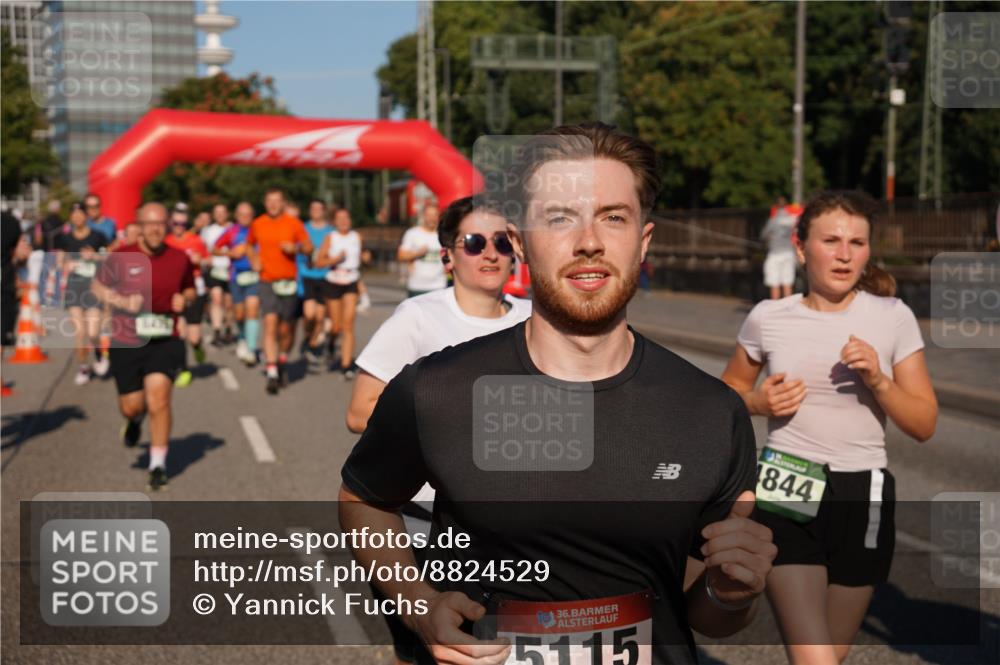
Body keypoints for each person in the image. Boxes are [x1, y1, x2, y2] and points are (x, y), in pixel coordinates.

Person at [340, 123, 775, 665]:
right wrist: (417, 602)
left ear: (643, 240)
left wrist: (732, 593)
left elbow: (702, 612)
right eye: (559, 218)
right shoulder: (438, 390)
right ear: (521, 243)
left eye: (613, 217)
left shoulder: (711, 412)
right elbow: (363, 502)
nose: (589, 241)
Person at [721, 190, 938, 665]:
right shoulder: (768, 317)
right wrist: (758, 400)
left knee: (830, 657)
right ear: (800, 248)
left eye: (857, 243)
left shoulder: (892, 316)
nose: (844, 254)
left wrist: (879, 380)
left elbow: (924, 423)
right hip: (788, 480)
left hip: (865, 488)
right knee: (815, 658)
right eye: (831, 240)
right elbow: (725, 396)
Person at [346, 195, 531, 665]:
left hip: (514, 521)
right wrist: (454, 432)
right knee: (428, 650)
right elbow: (360, 409)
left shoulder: (535, 319)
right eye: (474, 243)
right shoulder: (419, 317)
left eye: (501, 242)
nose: (490, 253)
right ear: (448, 254)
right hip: (425, 527)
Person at [92, 202, 196, 490]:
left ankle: (158, 463)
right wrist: (122, 302)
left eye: (161, 223)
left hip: (164, 337)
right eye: (150, 223)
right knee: (132, 405)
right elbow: (97, 287)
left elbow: (190, 287)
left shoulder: (179, 257)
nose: (156, 229)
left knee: (159, 398)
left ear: (169, 225)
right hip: (126, 339)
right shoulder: (121, 256)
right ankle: (134, 421)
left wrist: (184, 299)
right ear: (138, 226)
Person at [246, 187, 312, 394]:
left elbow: (309, 247)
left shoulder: (294, 224)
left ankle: (282, 358)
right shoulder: (258, 223)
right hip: (267, 280)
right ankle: (272, 370)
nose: (273, 204)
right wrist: (254, 259)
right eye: (269, 200)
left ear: (283, 203)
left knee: (286, 329)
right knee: (270, 323)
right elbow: (248, 245)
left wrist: (297, 248)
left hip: (288, 282)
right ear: (265, 203)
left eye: (277, 200)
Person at [56, 202, 110, 384]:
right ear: (70, 217)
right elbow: (59, 261)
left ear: (86, 216)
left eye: (81, 213)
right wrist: (66, 265)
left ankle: (99, 354)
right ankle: (83, 368)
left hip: (93, 287)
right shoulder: (64, 238)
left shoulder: (98, 236)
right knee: (80, 333)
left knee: (93, 332)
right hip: (74, 287)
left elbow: (108, 258)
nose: (77, 217)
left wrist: (94, 256)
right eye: (74, 214)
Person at [313, 207, 363, 377]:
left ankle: (346, 364)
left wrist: (366, 258)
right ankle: (331, 343)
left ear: (350, 220)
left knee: (348, 324)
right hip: (333, 281)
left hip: (351, 281)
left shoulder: (356, 237)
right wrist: (334, 259)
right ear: (334, 222)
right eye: (339, 218)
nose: (343, 221)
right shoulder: (330, 237)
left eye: (346, 218)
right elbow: (319, 261)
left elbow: (360, 260)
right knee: (336, 326)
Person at [165, 205, 209, 387]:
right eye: (175, 223)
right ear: (170, 224)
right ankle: (182, 369)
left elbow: (209, 260)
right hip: (174, 290)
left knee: (193, 336)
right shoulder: (166, 241)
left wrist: (202, 261)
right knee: (179, 332)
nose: (179, 227)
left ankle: (197, 347)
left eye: (182, 223)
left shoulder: (196, 240)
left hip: (195, 287)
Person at [214, 201, 261, 367]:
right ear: (236, 216)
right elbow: (215, 248)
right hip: (236, 276)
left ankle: (251, 349)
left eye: (248, 214)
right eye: (241, 214)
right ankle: (242, 337)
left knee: (253, 309)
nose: (245, 218)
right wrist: (229, 252)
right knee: (240, 314)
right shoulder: (231, 231)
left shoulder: (258, 229)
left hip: (255, 276)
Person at [298, 199, 333, 364]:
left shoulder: (330, 231)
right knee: (309, 314)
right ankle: (307, 336)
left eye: (319, 208)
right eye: (313, 208)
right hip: (307, 276)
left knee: (320, 317)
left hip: (325, 277)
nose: (316, 211)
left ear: (324, 211)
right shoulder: (302, 229)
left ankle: (311, 345)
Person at [2, 211, 31, 395]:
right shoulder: (9, 221)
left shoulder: (9, 222)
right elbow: (22, 254)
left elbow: (22, 254)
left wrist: (21, 258)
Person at [201, 203, 235, 346]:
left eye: (222, 212)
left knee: (228, 303)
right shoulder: (208, 231)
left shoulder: (234, 229)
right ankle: (216, 331)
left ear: (227, 214)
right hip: (214, 269)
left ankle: (228, 328)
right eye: (217, 212)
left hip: (230, 269)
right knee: (216, 299)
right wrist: (206, 258)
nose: (220, 215)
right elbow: (203, 249)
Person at [397, 200, 446, 297]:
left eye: (434, 215)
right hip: (417, 286)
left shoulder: (443, 235)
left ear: (438, 217)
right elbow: (400, 256)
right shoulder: (412, 233)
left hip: (438, 286)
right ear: (423, 216)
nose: (431, 218)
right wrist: (417, 253)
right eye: (429, 215)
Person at [761, 196, 799, 300]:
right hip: (789, 254)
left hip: (775, 254)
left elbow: (764, 236)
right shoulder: (792, 220)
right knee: (787, 283)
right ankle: (787, 310)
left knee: (775, 283)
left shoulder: (773, 220)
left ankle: (776, 308)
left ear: (776, 206)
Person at [35, 200, 65, 307]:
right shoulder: (63, 222)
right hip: (60, 252)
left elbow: (38, 239)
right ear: (58, 209)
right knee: (58, 275)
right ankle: (56, 300)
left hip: (47, 251)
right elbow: (66, 236)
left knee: (43, 275)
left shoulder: (42, 223)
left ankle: (41, 299)